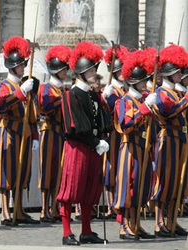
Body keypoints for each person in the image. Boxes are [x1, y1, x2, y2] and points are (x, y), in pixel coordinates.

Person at [57, 41, 111, 245]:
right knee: (71, 190)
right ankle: (66, 232)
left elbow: (101, 120)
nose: (94, 73)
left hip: (93, 146)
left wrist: (103, 137)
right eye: (90, 70)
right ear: (80, 73)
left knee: (90, 190)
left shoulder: (93, 94)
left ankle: (86, 230)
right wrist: (95, 141)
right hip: (78, 147)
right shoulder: (71, 95)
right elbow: (75, 125)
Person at [0, 36, 40, 226]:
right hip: (10, 131)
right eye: (20, 65)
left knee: (22, 172)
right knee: (8, 171)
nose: (23, 68)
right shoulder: (4, 85)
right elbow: (1, 104)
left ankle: (19, 209)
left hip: (25, 132)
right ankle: (6, 211)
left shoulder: (26, 84)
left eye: (24, 65)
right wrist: (20, 92)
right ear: (12, 67)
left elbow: (32, 113)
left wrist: (35, 133)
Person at [113, 50, 156, 240]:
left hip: (143, 147)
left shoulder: (141, 99)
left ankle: (135, 223)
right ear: (133, 82)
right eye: (143, 81)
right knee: (128, 186)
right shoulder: (125, 100)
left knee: (142, 185)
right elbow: (127, 124)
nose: (146, 83)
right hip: (130, 148)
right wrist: (145, 108)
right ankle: (125, 225)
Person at [150, 44, 188, 237]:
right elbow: (169, 111)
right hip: (167, 139)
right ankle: (159, 222)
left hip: (180, 139)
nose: (180, 75)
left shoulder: (178, 92)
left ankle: (172, 221)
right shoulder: (160, 93)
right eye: (176, 72)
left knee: (177, 182)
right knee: (164, 181)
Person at [37, 45, 71, 223]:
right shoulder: (46, 87)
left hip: (60, 133)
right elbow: (46, 105)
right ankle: (44, 208)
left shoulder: (63, 90)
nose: (66, 72)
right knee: (47, 170)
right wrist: (63, 99)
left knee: (58, 171)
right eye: (63, 69)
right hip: (49, 131)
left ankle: (54, 207)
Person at [101, 45, 129, 218]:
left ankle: (118, 201)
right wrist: (104, 97)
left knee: (121, 168)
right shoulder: (110, 89)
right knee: (111, 168)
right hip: (112, 133)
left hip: (123, 134)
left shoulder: (125, 90)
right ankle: (111, 203)